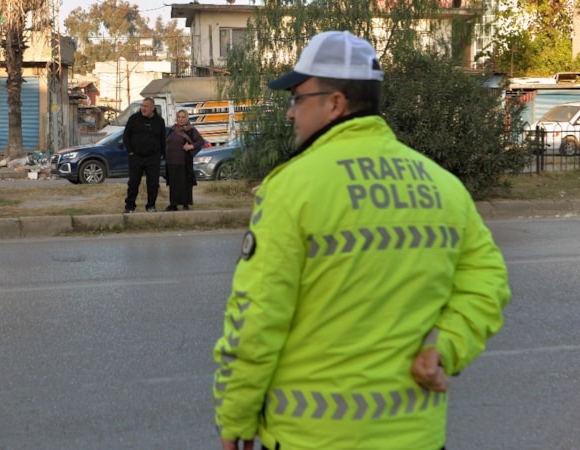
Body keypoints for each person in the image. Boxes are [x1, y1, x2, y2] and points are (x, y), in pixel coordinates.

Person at [212, 30, 511, 450]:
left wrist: (236, 415)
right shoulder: (443, 186)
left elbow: (255, 319)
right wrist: (445, 349)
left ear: (335, 103)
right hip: (416, 438)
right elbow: (489, 280)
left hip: (312, 437)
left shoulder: (292, 188)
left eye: (297, 99)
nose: (289, 114)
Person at [122, 97, 166, 213]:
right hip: (136, 157)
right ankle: (130, 206)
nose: (143, 108)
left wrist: (161, 154)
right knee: (133, 183)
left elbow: (163, 139)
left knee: (153, 183)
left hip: (153, 158)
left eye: (146, 106)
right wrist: (130, 151)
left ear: (152, 107)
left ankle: (151, 205)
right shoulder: (134, 119)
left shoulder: (159, 121)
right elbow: (126, 136)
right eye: (142, 106)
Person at [165, 109, 205, 211]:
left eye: (183, 117)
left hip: (183, 161)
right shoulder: (173, 129)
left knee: (185, 183)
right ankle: (173, 204)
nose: (181, 119)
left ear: (186, 118)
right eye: (179, 117)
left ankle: (185, 204)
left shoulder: (190, 130)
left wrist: (191, 146)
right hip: (171, 161)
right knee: (173, 184)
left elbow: (200, 141)